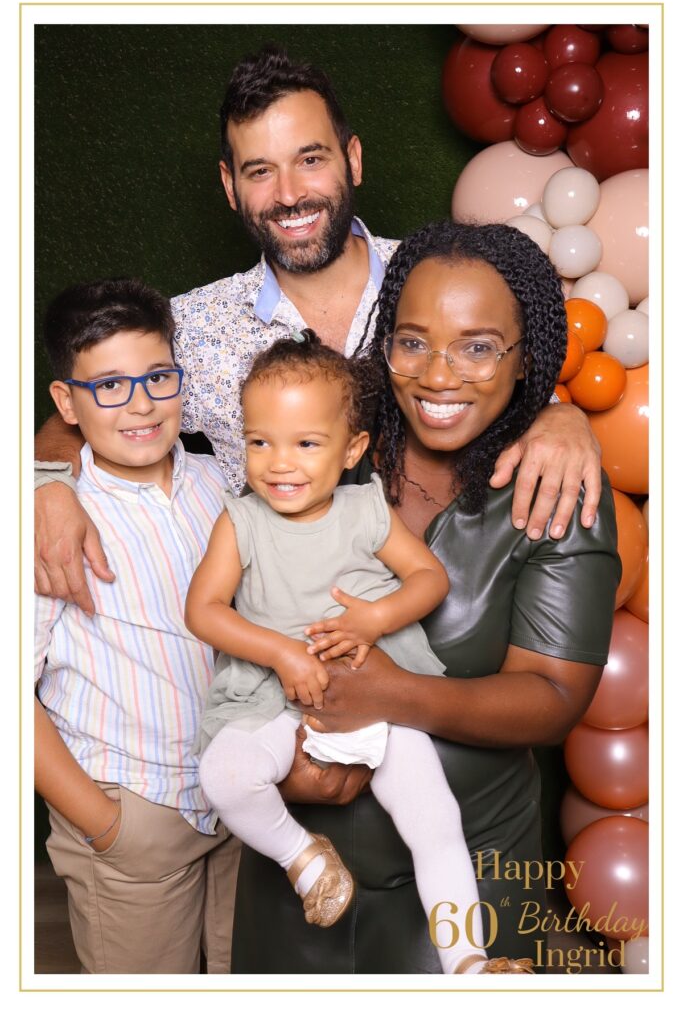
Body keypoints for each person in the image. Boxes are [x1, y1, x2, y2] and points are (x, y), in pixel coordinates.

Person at [34, 45, 603, 621]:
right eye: (260, 171)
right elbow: (89, 402)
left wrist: (563, 414)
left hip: (458, 615)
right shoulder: (196, 327)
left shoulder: (437, 278)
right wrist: (48, 482)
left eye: (310, 159)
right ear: (230, 186)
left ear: (352, 159)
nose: (288, 194)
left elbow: (505, 375)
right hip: (284, 640)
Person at [229, 221, 621, 974]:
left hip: (465, 890)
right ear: (385, 344)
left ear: (525, 359)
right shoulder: (320, 449)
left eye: (477, 347)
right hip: (299, 874)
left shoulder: (553, 483)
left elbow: (553, 696)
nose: (438, 375)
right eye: (412, 341)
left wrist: (393, 695)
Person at [184, 331, 531, 974]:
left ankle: (467, 960)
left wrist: (375, 618)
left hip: (378, 698)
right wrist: (283, 653)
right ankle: (303, 856)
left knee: (433, 817)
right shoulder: (241, 521)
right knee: (223, 778)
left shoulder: (366, 510)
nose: (279, 462)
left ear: (353, 450)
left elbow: (429, 579)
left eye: (306, 443)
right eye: (260, 442)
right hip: (273, 699)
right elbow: (202, 611)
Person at [34, 279, 239, 974]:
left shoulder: (219, 483)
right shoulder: (43, 519)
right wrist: (106, 828)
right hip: (135, 809)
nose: (142, 404)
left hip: (239, 798)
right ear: (65, 402)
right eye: (110, 386)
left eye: (157, 376)